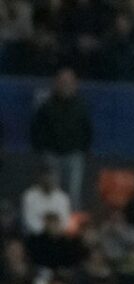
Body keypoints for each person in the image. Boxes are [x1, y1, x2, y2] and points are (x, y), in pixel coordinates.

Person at [30, 69, 90, 204]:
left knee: (73, 194)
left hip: (74, 155)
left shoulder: (81, 106)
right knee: (51, 192)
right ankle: (50, 222)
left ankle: (71, 223)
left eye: (69, 82)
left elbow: (87, 130)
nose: (66, 86)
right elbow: (37, 129)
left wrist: (82, 149)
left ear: (75, 85)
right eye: (63, 82)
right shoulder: (46, 106)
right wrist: (43, 149)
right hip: (52, 155)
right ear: (56, 84)